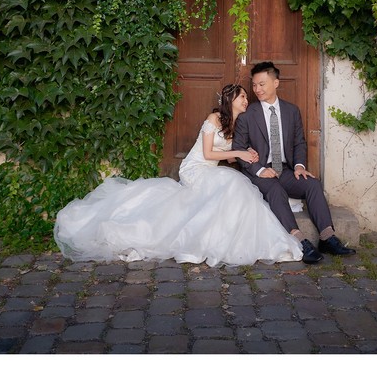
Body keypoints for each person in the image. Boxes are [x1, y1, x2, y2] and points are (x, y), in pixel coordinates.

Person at [53, 84, 302, 267]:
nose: (246, 100)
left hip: (212, 171)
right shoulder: (214, 118)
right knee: (234, 182)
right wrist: (238, 151)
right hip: (195, 168)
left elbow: (226, 157)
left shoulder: (238, 127)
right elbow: (206, 153)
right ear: (231, 100)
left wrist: (246, 153)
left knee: (235, 186)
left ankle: (232, 238)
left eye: (246, 97)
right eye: (243, 96)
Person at [232, 60, 356, 264]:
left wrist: (299, 166)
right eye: (254, 85)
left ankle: (327, 237)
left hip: (286, 170)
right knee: (276, 191)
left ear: (276, 83)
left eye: (262, 84)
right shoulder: (248, 115)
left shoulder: (292, 111)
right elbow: (238, 148)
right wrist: (260, 169)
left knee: (313, 184)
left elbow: (299, 142)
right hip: (261, 172)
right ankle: (299, 242)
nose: (257, 89)